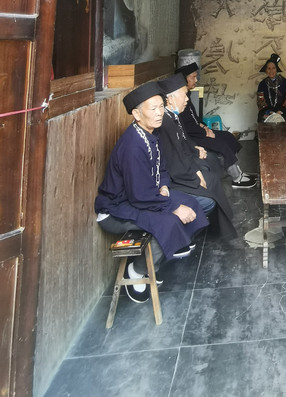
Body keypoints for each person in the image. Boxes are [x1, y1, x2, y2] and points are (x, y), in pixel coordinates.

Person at [95, 81, 209, 303]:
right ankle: (137, 270)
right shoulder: (132, 145)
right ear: (137, 114)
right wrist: (173, 208)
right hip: (117, 208)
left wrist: (164, 186)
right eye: (153, 108)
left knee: (191, 203)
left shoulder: (151, 134)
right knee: (169, 223)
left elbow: (162, 168)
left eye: (161, 107)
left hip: (147, 196)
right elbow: (139, 196)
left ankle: (162, 256)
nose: (159, 113)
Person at [157, 73, 238, 239]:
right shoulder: (165, 123)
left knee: (211, 163)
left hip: (184, 163)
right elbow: (174, 159)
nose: (187, 99)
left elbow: (184, 142)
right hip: (176, 175)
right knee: (209, 176)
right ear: (170, 99)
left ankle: (220, 223)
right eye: (184, 95)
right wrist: (196, 174)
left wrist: (195, 149)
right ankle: (212, 226)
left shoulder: (174, 116)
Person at [178, 61, 256, 187]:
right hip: (193, 137)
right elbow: (187, 127)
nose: (196, 80)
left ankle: (238, 171)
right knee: (222, 144)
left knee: (228, 136)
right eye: (193, 77)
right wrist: (205, 132)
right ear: (184, 79)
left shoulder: (187, 94)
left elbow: (195, 119)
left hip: (199, 131)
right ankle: (237, 179)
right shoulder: (180, 98)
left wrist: (205, 127)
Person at [256, 53, 286, 123]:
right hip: (267, 111)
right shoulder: (262, 84)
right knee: (262, 118)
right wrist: (269, 112)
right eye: (269, 68)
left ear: (276, 69)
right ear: (266, 70)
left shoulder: (284, 82)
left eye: (273, 68)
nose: (271, 71)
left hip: (283, 110)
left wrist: (280, 112)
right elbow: (260, 102)